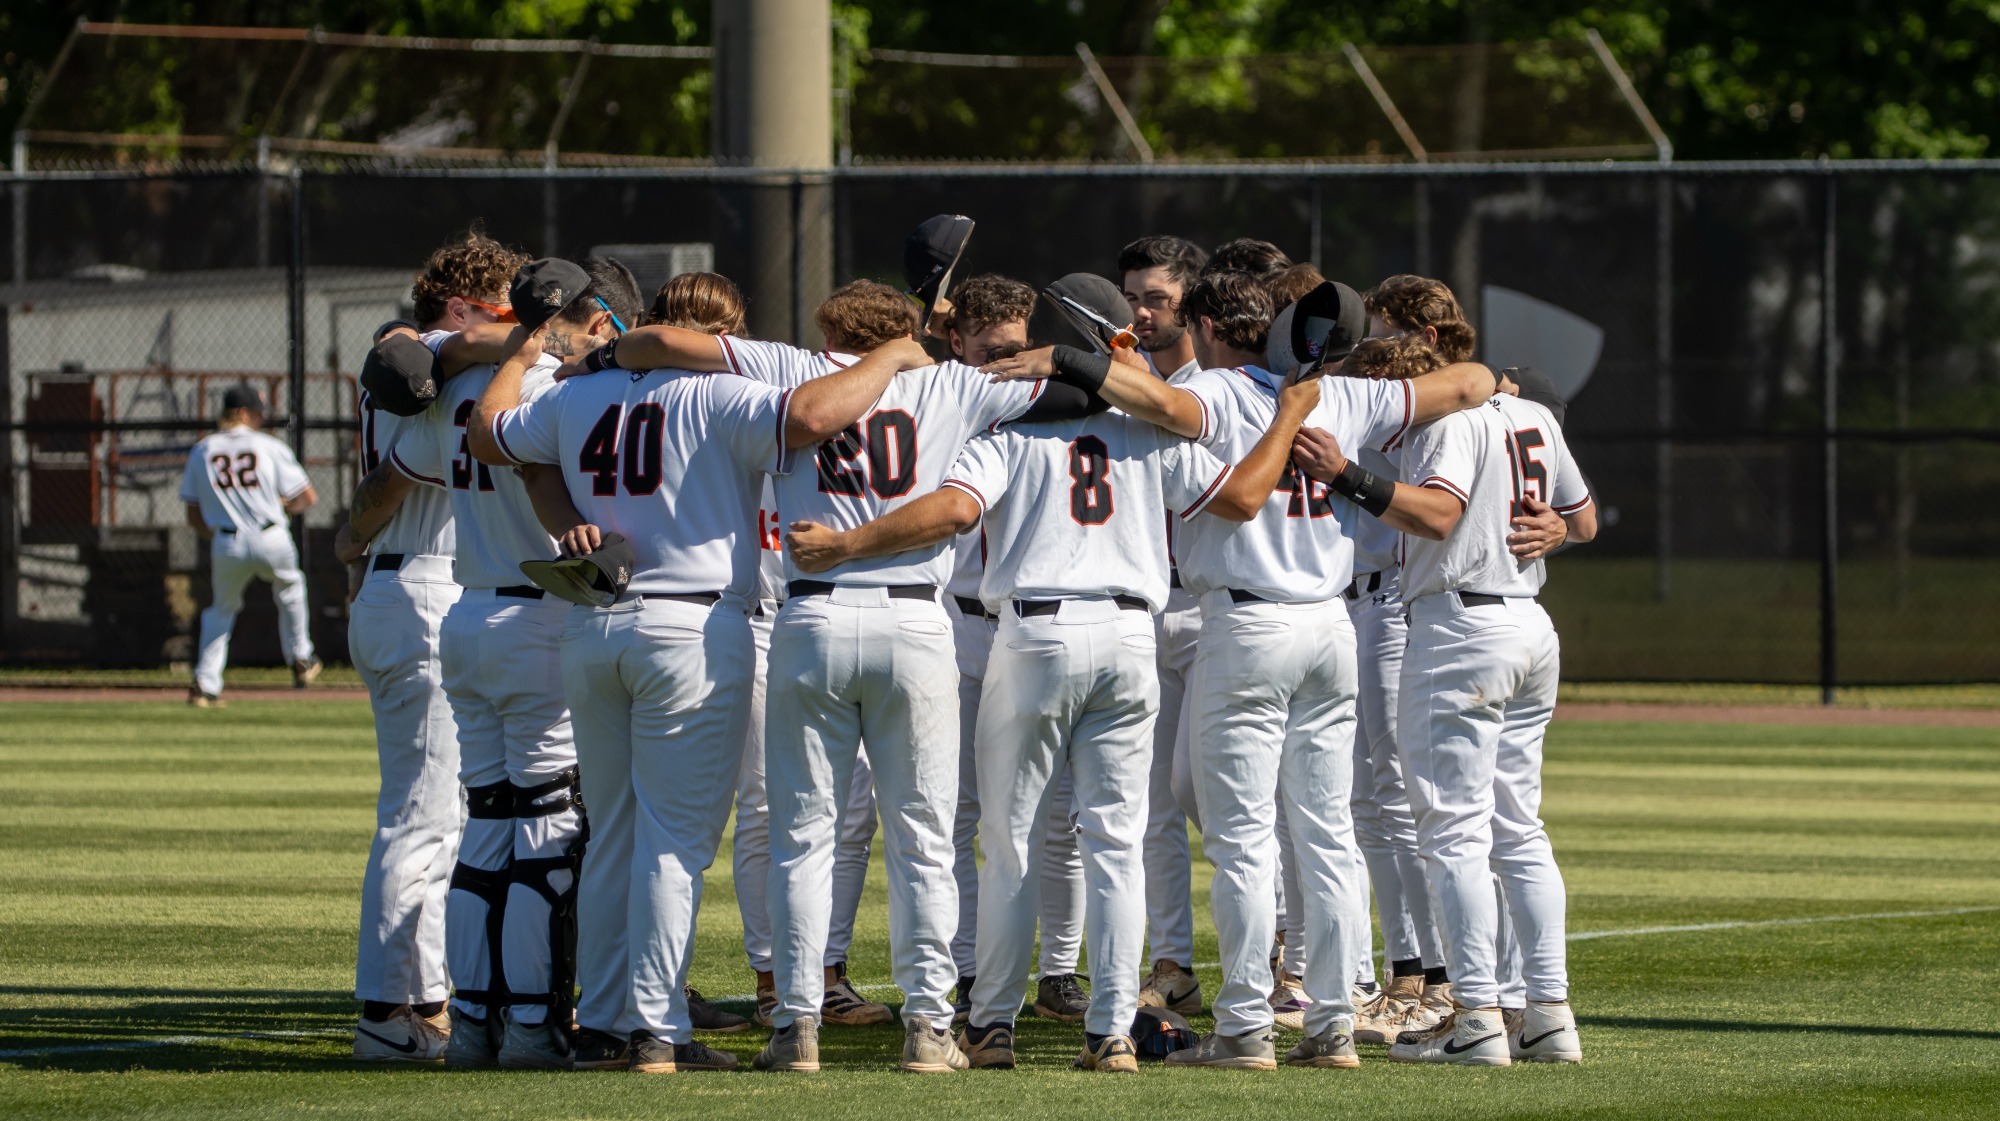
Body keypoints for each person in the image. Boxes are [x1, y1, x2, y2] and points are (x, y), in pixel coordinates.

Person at [984, 270, 1494, 1071]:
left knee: (1245, 840)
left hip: (1248, 624)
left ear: (1214, 327)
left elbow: (1159, 406)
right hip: (1331, 626)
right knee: (1327, 836)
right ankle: (1331, 1022)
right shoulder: (1345, 396)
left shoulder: (1219, 392)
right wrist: (1326, 393)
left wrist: (1065, 357)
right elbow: (1473, 380)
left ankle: (1248, 1026)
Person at [467, 281, 934, 1074]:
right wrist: (895, 351)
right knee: (675, 842)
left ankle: (612, 1023)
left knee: (614, 832)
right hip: (693, 622)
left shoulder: (577, 392)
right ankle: (658, 1030)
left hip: (594, 620)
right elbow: (818, 416)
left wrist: (525, 355)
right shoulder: (725, 391)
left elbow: (489, 436)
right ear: (722, 332)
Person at [345, 257, 634, 1069]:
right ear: (565, 318)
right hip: (539, 610)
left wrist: (348, 538)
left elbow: (392, 479)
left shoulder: (448, 387)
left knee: (485, 827)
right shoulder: (554, 391)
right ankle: (535, 1026)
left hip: (465, 613)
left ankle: (473, 1021)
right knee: (544, 826)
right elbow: (565, 494)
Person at [1291, 332, 1596, 1066]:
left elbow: (1436, 515)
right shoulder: (1534, 416)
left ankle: (1478, 1016)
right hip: (1529, 623)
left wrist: (1346, 473)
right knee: (1518, 827)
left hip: (1459, 628)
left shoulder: (1444, 422)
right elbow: (1582, 520)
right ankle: (1547, 1013)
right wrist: (1549, 529)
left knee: (1454, 835)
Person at [341, 230, 526, 1062]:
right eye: (501, 307)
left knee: (434, 811)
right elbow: (445, 345)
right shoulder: (428, 351)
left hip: (398, 580)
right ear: (460, 308)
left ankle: (422, 999)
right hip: (420, 582)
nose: (512, 323)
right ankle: (390, 1010)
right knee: (423, 814)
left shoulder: (411, 357)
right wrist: (547, 332)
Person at [934, 272, 1094, 1025]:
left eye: (1015, 345)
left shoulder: (1041, 395)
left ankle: (1060, 968)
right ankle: (969, 969)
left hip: (1029, 619)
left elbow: (1105, 389)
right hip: (957, 619)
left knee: (1058, 814)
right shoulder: (937, 394)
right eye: (988, 347)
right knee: (963, 811)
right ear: (955, 339)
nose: (1003, 359)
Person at [1116, 235, 1209, 1016]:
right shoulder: (1117, 379)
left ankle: (1286, 955)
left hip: (1218, 603)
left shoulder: (1221, 383)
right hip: (1146, 605)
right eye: (1134, 298)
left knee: (1214, 793)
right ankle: (1172, 960)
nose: (1142, 313)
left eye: (1158, 299)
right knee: (1152, 805)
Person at [180, 384, 319, 707]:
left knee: (221, 610)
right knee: (291, 588)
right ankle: (301, 656)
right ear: (242, 413)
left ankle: (205, 683)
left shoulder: (203, 449)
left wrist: (213, 535)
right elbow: (307, 498)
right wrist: (278, 507)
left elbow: (192, 512)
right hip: (272, 536)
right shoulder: (269, 446)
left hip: (227, 540)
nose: (259, 419)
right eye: (256, 414)